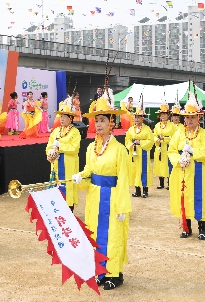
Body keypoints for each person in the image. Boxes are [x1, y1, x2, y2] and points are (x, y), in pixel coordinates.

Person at [71, 93, 131, 290]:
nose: (98, 124)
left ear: (111, 123)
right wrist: (81, 176)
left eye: (102, 120)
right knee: (96, 233)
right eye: (96, 120)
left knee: (113, 235)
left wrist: (123, 206)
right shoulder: (90, 148)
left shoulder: (120, 149)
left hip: (112, 196)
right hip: (95, 197)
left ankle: (115, 274)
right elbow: (90, 170)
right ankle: (100, 271)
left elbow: (123, 179)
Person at [168, 93, 205, 239]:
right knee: (184, 198)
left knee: (199, 197)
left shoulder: (204, 134)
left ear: (198, 118)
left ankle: (202, 227)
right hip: (183, 172)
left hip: (199, 172)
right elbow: (171, 150)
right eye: (187, 117)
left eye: (192, 117)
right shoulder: (179, 134)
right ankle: (187, 227)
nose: (189, 120)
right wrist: (178, 160)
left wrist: (194, 151)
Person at [46, 97, 81, 211]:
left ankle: (69, 211)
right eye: (61, 116)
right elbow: (49, 145)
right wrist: (50, 153)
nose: (61, 119)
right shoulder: (56, 131)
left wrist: (59, 147)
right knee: (56, 187)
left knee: (68, 187)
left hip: (69, 166)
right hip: (56, 165)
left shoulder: (75, 132)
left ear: (70, 118)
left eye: (64, 116)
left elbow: (74, 148)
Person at [125, 107, 154, 198]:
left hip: (143, 153)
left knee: (143, 171)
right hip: (134, 153)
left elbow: (150, 140)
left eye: (139, 117)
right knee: (135, 171)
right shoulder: (131, 129)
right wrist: (131, 144)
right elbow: (127, 140)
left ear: (143, 118)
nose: (136, 119)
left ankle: (145, 190)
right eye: (135, 117)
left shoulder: (147, 129)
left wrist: (140, 142)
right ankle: (137, 190)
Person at [153, 103, 177, 190]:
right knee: (160, 164)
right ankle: (161, 182)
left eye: (164, 114)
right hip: (159, 147)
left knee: (168, 165)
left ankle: (170, 182)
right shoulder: (157, 125)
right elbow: (154, 135)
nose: (162, 116)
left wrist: (165, 139)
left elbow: (174, 137)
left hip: (167, 147)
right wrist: (157, 139)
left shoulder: (172, 126)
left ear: (168, 115)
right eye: (161, 114)